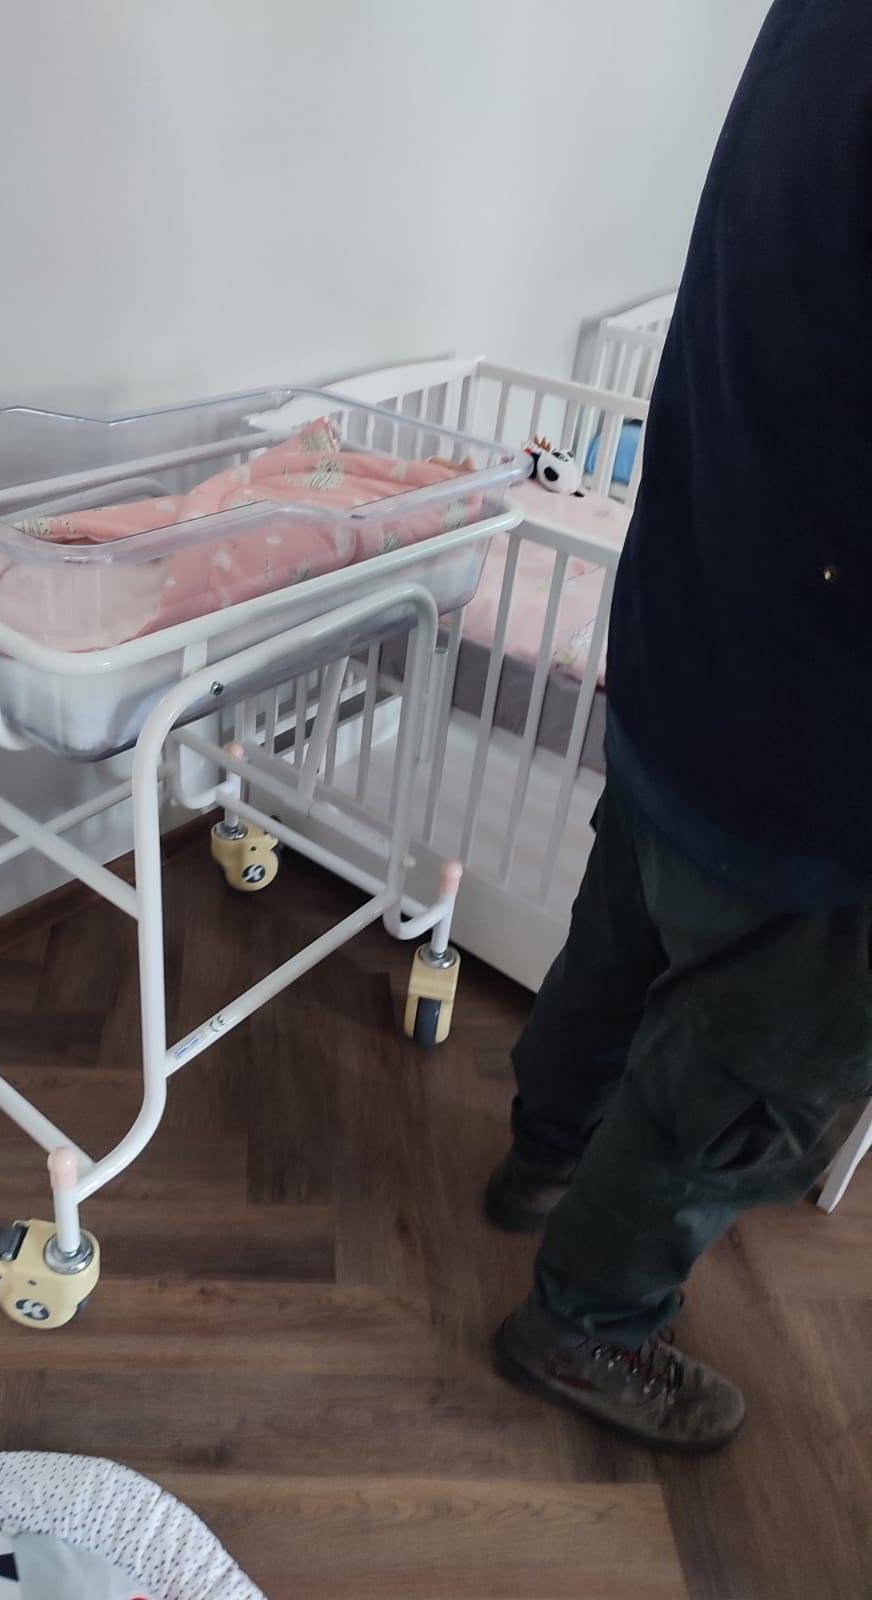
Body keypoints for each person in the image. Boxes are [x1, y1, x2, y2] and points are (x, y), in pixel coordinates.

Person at [487, 0, 872, 1453]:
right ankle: (587, 1321)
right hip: (820, 741)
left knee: (621, 938)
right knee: (741, 1073)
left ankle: (543, 1159)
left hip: (698, 620)